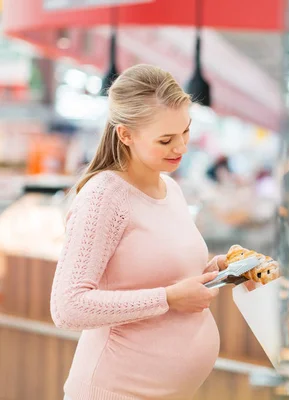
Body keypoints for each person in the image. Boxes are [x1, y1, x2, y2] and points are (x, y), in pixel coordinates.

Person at [50, 64, 228, 400]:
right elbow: (67, 307)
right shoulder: (104, 196)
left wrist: (219, 271)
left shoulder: (171, 188)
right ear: (126, 135)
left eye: (185, 132)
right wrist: (168, 298)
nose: (181, 148)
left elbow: (166, 274)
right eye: (165, 140)